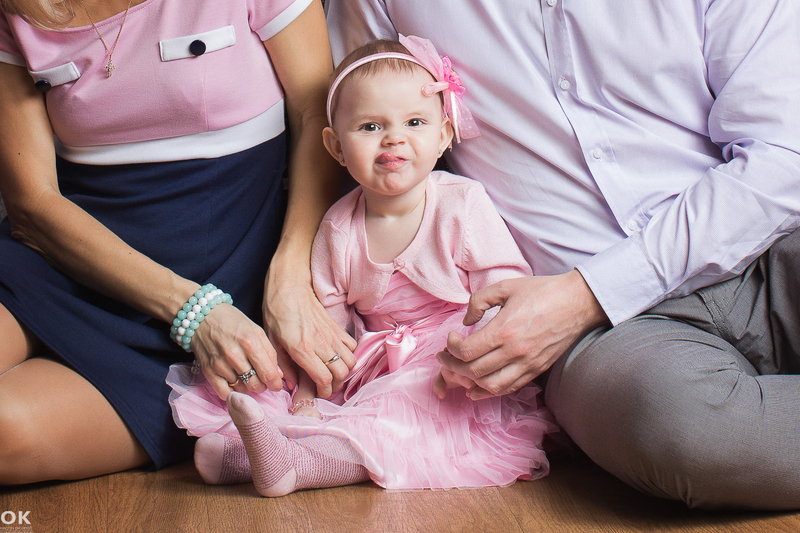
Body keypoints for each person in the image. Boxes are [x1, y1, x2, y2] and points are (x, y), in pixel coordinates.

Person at [324, 0, 800, 510]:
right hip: (594, 329)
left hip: (769, 246)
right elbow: (354, 119)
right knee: (682, 431)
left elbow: (783, 155)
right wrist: (293, 271)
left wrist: (590, 292)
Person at [166, 36, 558, 496]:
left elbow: (505, 292)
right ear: (335, 146)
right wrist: (308, 396)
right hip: (368, 359)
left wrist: (477, 354)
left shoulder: (460, 205)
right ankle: (247, 451)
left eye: (414, 122)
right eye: (371, 126)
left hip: (452, 363)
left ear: (443, 135)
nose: (393, 138)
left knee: (401, 408)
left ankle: (301, 464)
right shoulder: (337, 227)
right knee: (277, 379)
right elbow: (328, 332)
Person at [0, 0, 352, 484]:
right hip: (67, 266)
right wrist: (195, 312)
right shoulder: (17, 11)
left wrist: (290, 278)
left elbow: (322, 119)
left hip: (234, 289)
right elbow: (32, 203)